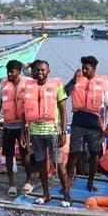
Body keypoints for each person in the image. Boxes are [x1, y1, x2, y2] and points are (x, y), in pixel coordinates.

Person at [19, 59, 70, 206]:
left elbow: (63, 110)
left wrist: (63, 132)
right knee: (40, 163)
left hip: (53, 131)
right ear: (33, 72)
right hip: (35, 132)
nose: (39, 72)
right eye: (37, 70)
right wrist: (23, 132)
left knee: (58, 164)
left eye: (42, 70)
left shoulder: (57, 86)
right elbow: (23, 112)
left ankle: (67, 195)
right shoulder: (28, 87)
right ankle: (46, 194)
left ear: (48, 71)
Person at [64, 55, 108, 192]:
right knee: (74, 154)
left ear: (94, 69)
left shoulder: (103, 82)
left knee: (95, 154)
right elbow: (64, 93)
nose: (84, 71)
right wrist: (73, 80)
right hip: (78, 122)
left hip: (95, 125)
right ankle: (67, 183)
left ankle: (90, 182)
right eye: (83, 68)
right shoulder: (77, 80)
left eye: (87, 69)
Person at [0, 60, 36, 197]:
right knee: (8, 155)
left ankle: (29, 181)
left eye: (12, 71)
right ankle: (11, 184)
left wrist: (28, 66)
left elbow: (38, 75)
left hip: (23, 126)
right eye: (8, 72)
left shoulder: (28, 82)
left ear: (19, 71)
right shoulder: (3, 83)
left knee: (25, 154)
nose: (9, 74)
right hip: (8, 126)